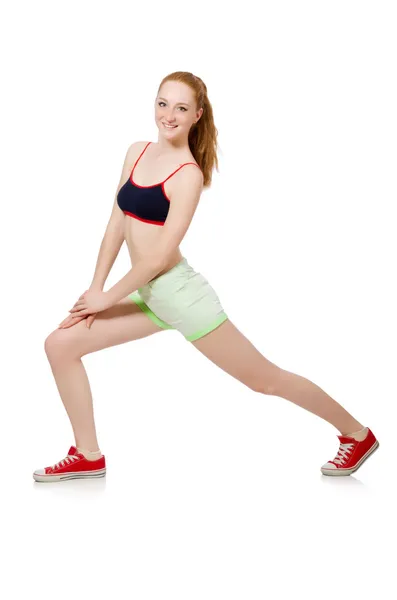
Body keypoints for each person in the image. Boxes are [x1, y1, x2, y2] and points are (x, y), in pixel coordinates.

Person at [33, 71, 379, 483]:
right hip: (149, 296)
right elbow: (115, 222)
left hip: (181, 297)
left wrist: (107, 299)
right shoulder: (136, 152)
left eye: (180, 108)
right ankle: (88, 454)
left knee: (265, 380)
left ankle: (356, 434)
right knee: (60, 344)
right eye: (163, 103)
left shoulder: (188, 174)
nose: (169, 115)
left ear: (197, 115)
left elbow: (159, 257)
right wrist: (95, 286)